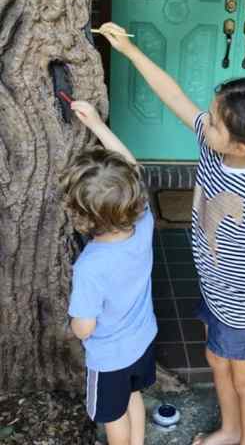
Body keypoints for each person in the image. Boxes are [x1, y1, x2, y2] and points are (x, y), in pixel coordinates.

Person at [98, 22, 245, 445]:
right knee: (215, 356)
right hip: (215, 290)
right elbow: (173, 96)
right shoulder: (214, 147)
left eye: (213, 122)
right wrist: (130, 53)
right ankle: (229, 430)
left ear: (242, 146)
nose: (203, 123)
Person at [60, 100, 158, 445]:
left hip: (110, 357)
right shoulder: (144, 222)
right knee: (134, 396)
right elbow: (131, 167)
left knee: (113, 416)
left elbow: (84, 325)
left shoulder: (90, 266)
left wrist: (75, 326)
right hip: (143, 339)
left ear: (82, 216)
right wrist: (98, 127)